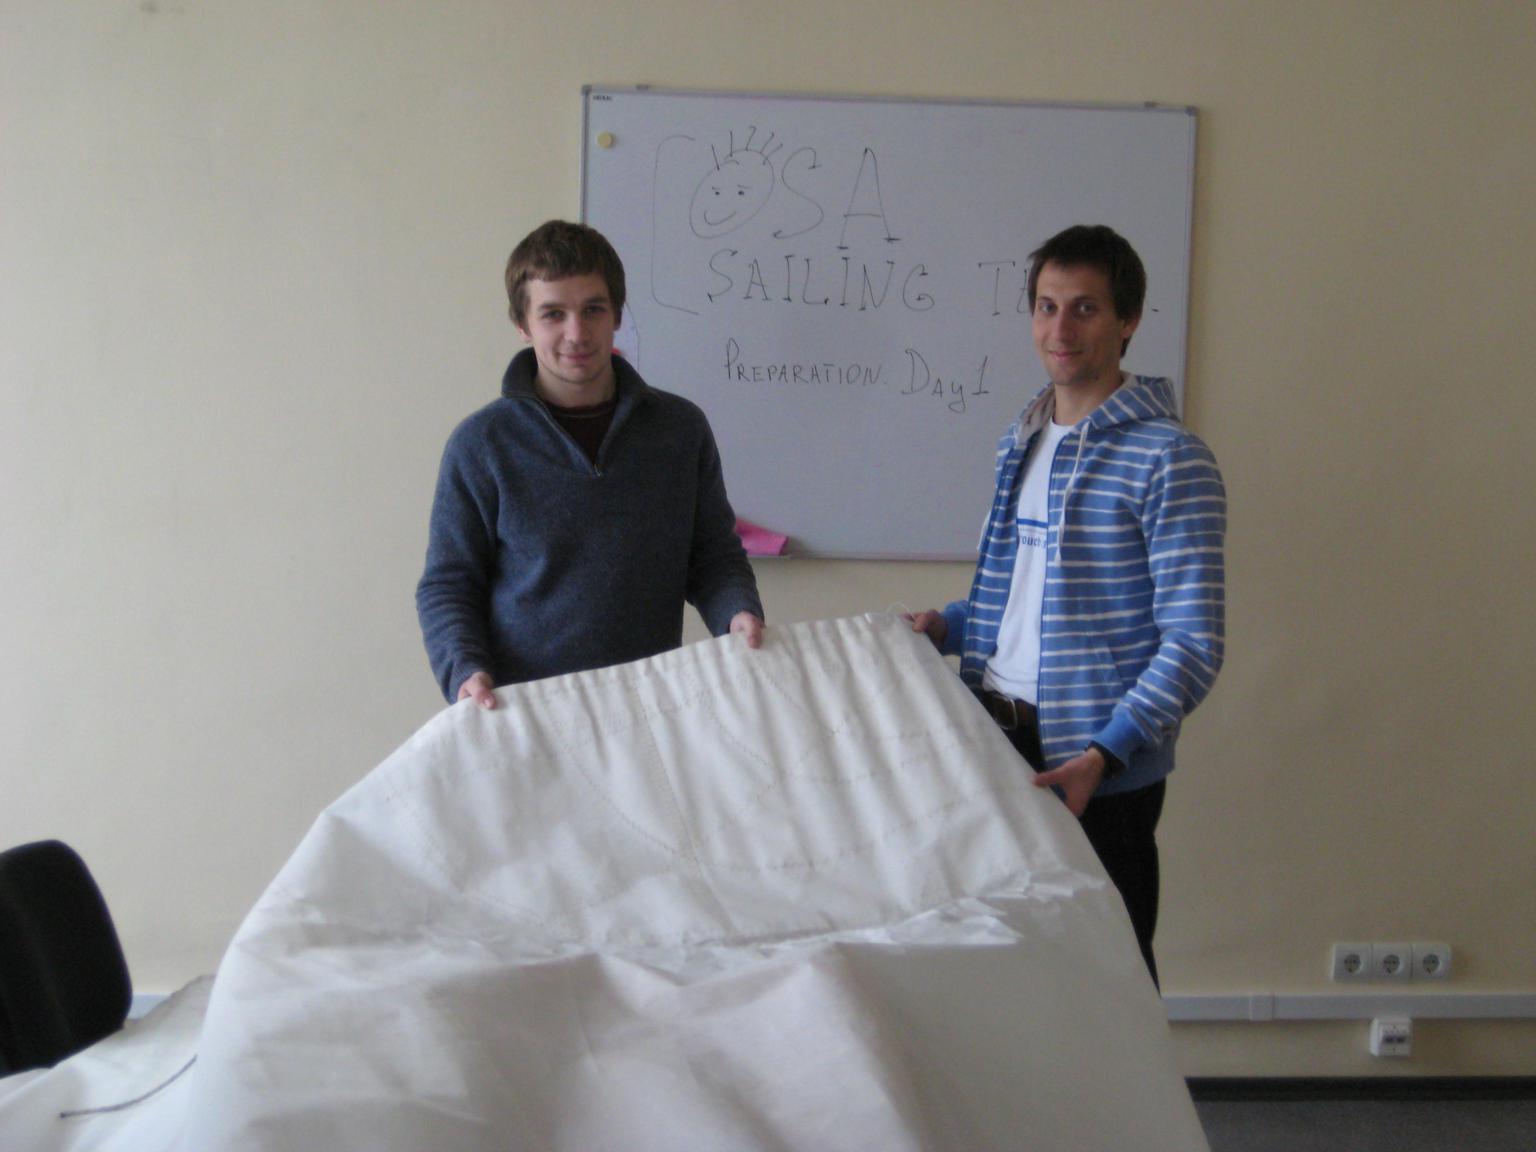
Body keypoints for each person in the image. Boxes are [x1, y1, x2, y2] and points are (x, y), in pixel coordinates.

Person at [908, 224, 1225, 984]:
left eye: (1085, 308)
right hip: (996, 740)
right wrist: (947, 625)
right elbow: (1020, 596)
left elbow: (1194, 640)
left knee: (1111, 980)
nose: (1060, 329)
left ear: (1128, 320)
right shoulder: (1021, 440)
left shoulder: (1170, 457)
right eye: (1047, 307)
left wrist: (1106, 752)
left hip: (1096, 765)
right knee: (1008, 976)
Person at [417, 220, 764, 710]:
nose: (576, 333)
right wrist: (465, 669)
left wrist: (737, 612)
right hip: (523, 714)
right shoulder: (481, 445)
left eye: (593, 310)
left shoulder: (680, 430)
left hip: (650, 708)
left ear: (617, 314)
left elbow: (713, 557)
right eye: (553, 314)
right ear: (523, 324)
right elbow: (449, 584)